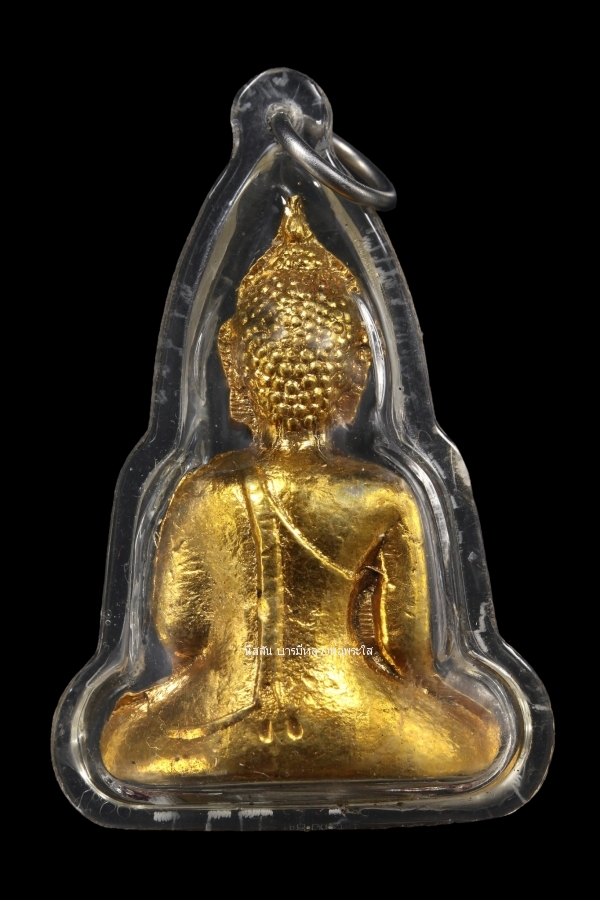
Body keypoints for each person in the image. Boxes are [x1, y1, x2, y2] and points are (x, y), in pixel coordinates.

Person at [101, 197, 500, 782]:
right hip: (359, 720)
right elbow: (407, 651)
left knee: (123, 745)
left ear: (235, 361)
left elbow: (181, 633)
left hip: (217, 725)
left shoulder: (203, 491)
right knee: (474, 740)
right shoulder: (384, 495)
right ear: (356, 368)